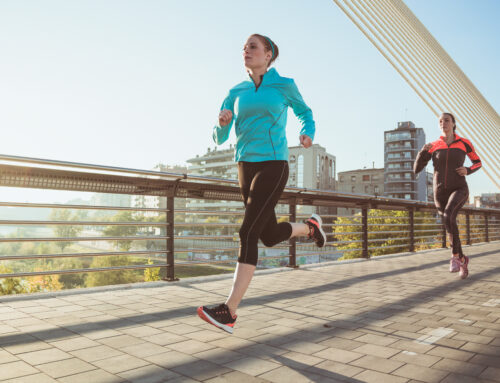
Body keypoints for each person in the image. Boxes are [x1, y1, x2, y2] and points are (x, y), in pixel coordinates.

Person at [197, 34, 326, 333]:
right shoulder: (236, 90)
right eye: (243, 47)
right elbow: (219, 137)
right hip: (245, 165)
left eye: (252, 46)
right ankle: (310, 228)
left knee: (247, 231)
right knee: (267, 235)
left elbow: (304, 112)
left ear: (268, 54)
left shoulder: (284, 84)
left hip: (273, 163)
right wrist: (222, 123)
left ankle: (229, 311)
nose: (246, 50)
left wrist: (307, 132)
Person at [414, 112, 482, 279]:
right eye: (440, 121)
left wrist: (468, 170)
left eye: (446, 120)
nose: (443, 123)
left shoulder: (464, 143)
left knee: (449, 215)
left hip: (459, 188)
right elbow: (416, 169)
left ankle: (454, 256)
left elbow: (478, 162)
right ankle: (462, 259)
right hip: (440, 192)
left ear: (453, 124)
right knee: (448, 220)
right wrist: (423, 152)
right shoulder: (433, 145)